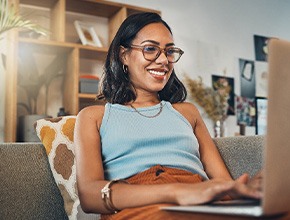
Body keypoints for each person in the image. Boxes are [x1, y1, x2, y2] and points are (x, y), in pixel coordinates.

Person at [74, 12, 262, 220]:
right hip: (138, 206)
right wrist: (176, 192)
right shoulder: (94, 117)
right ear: (123, 55)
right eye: (150, 49)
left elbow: (224, 185)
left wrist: (248, 191)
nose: (164, 60)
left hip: (199, 201)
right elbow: (90, 196)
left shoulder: (187, 112)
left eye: (169, 51)